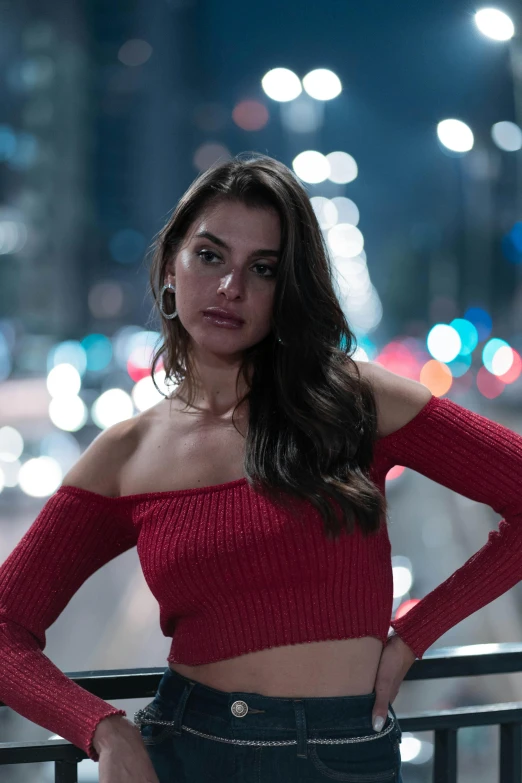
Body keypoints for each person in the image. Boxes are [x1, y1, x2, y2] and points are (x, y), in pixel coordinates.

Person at [1, 153, 521, 783]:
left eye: (264, 269)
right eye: (210, 256)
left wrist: (414, 632)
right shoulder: (127, 451)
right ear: (171, 266)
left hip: (344, 756)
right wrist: (102, 730)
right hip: (190, 751)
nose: (231, 288)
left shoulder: (353, 401)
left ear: (288, 289)